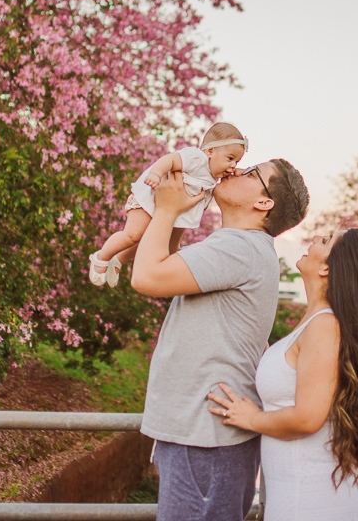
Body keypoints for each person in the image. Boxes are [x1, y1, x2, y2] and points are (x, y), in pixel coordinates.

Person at [131, 159, 310, 521]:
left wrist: (166, 208)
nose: (233, 171)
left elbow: (146, 277)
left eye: (249, 174)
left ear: (264, 203)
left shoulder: (240, 247)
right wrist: (178, 213)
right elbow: (160, 262)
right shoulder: (240, 247)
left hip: (204, 434)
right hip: (202, 433)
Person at [207, 229, 358, 521]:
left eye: (325, 240)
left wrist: (253, 419)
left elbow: (307, 417)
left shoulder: (324, 327)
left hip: (311, 500)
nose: (315, 238)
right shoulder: (317, 323)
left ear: (326, 268)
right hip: (312, 492)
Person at [88, 122, 249, 288]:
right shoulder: (197, 158)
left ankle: (119, 259)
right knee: (133, 234)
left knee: (158, 244)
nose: (233, 165)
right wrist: (156, 173)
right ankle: (101, 257)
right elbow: (170, 160)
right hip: (149, 199)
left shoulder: (213, 177)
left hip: (175, 213)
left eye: (236, 162)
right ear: (210, 151)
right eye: (230, 158)